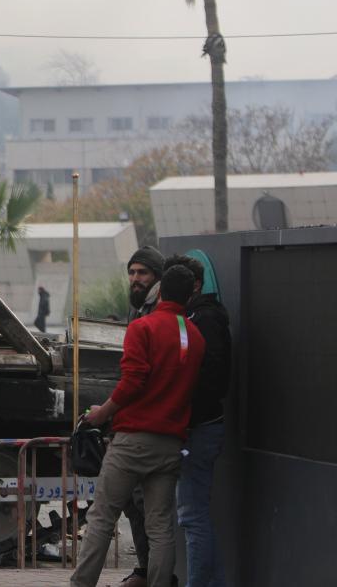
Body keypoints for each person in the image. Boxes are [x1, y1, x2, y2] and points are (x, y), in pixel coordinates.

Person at [70, 266, 206, 587]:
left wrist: (102, 412)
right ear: (191, 295)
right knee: (160, 527)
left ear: (158, 292)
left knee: (102, 517)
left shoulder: (143, 327)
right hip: (171, 444)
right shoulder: (196, 337)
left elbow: (133, 381)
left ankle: (81, 584)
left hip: (133, 442)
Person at [164, 255, 232, 587]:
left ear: (195, 285)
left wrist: (186, 416)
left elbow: (213, 378)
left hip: (199, 429)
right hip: (198, 426)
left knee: (191, 517)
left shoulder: (203, 319)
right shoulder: (198, 317)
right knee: (192, 516)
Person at [116, 244, 166, 586]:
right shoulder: (139, 310)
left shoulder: (156, 314)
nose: (136, 279)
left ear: (157, 277)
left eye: (142, 273)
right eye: (132, 272)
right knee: (134, 503)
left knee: (147, 507)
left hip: (151, 424)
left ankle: (154, 574)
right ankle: (146, 570)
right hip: (136, 421)